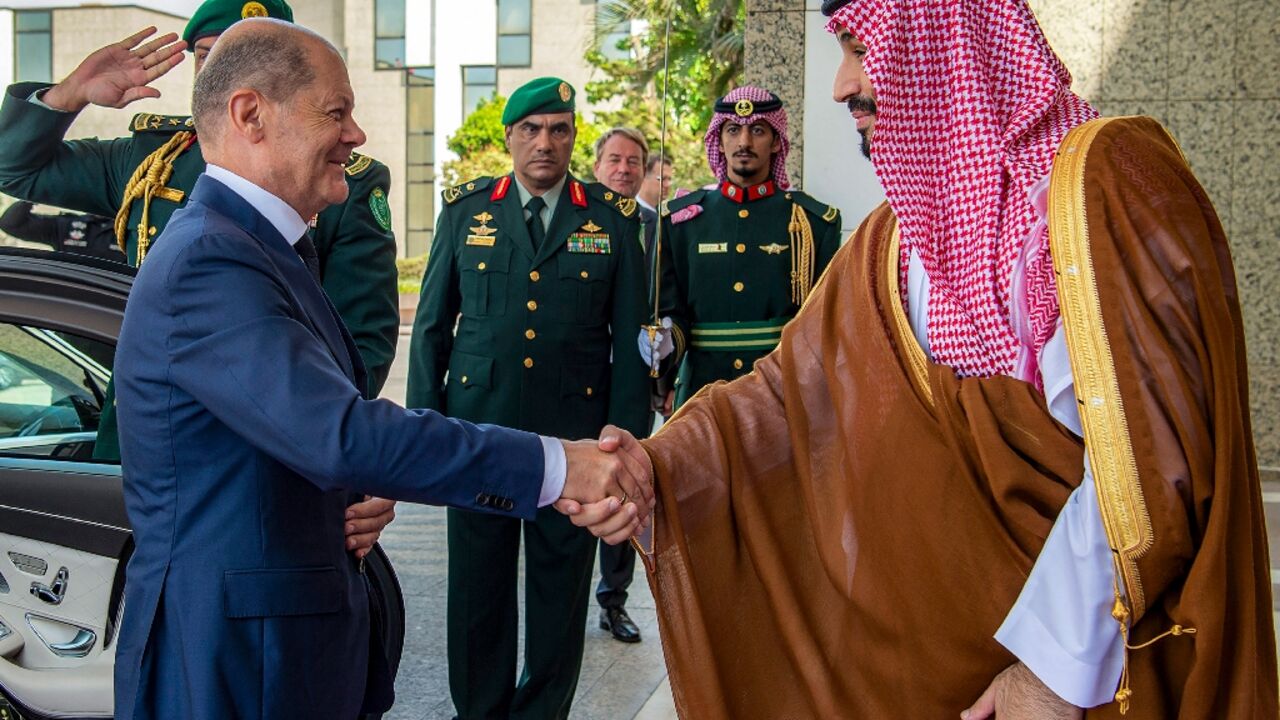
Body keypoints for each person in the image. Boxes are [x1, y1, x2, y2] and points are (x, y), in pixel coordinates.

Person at [574, 0, 1279, 717]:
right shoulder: (892, 240)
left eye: (858, 48)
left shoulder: (1099, 189)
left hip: (1086, 675)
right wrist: (655, 466)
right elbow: (788, 397)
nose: (841, 84)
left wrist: (1050, 674)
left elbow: (1145, 461)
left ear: (940, 40)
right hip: (935, 658)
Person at [112, 21, 651, 719]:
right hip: (234, 668)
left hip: (281, 652)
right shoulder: (210, 262)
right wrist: (558, 467)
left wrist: (351, 492)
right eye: (336, 112)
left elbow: (287, 437)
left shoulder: (264, 249)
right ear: (251, 114)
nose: (357, 135)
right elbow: (339, 431)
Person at [0, 0, 399, 463]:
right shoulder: (152, 161)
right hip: (139, 436)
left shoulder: (342, 177)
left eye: (243, 55)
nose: (222, 71)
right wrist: (70, 94)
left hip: (265, 448)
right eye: (208, 56)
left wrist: (336, 451)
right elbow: (15, 168)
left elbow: (360, 342)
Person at [407, 77, 652, 719]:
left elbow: (629, 343)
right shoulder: (465, 212)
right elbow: (432, 328)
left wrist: (622, 446)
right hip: (478, 439)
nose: (545, 142)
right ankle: (480, 711)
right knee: (477, 595)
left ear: (574, 137)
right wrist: (418, 439)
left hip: (573, 446)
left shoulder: (611, 219)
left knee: (558, 598)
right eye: (531, 129)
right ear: (510, 138)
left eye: (559, 129)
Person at [643, 86, 842, 411]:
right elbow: (669, 312)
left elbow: (825, 323)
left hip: (782, 395)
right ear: (719, 140)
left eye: (758, 131)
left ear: (776, 141)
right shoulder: (681, 221)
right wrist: (664, 343)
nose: (744, 142)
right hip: (702, 394)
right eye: (733, 130)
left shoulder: (812, 223)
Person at [588, 126, 652, 644]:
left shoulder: (660, 226)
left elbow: (668, 298)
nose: (624, 169)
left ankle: (614, 600)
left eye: (634, 162)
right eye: (615, 159)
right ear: (596, 166)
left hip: (627, 384)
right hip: (578, 383)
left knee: (621, 491)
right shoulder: (578, 215)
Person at [0, 200, 124, 261]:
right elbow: (10, 224)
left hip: (114, 296)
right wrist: (35, 195)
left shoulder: (132, 229)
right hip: (73, 293)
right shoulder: (65, 225)